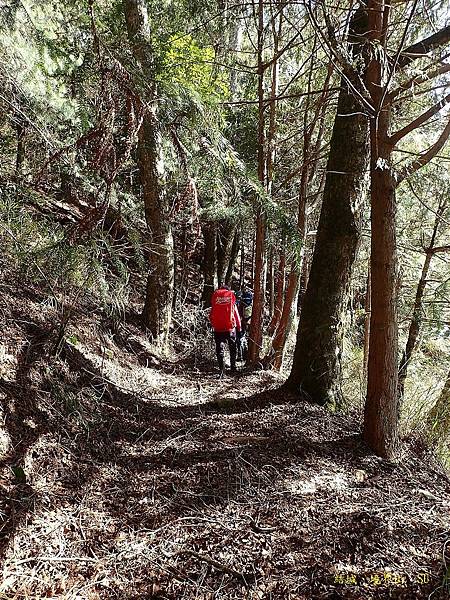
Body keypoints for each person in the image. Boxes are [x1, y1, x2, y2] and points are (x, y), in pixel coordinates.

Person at [209, 283, 241, 377]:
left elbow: (211, 314)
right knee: (232, 347)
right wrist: (239, 327)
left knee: (220, 348)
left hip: (218, 327)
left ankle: (222, 371)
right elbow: (235, 314)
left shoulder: (216, 299)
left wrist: (213, 323)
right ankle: (233, 368)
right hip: (230, 327)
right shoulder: (231, 299)